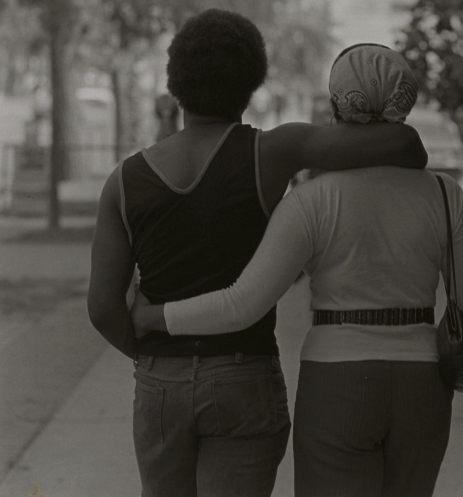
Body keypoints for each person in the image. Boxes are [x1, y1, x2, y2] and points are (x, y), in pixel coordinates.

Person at [131, 44, 463, 497]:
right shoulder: (445, 194)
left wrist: (154, 316)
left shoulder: (313, 200)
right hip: (423, 385)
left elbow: (242, 304)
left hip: (338, 383)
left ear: (337, 103)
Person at [86, 11, 428, 497]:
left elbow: (102, 307)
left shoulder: (123, 182)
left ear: (174, 82)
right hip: (244, 377)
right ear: (252, 83)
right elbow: (405, 142)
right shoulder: (272, 151)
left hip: (161, 383)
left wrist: (158, 360)